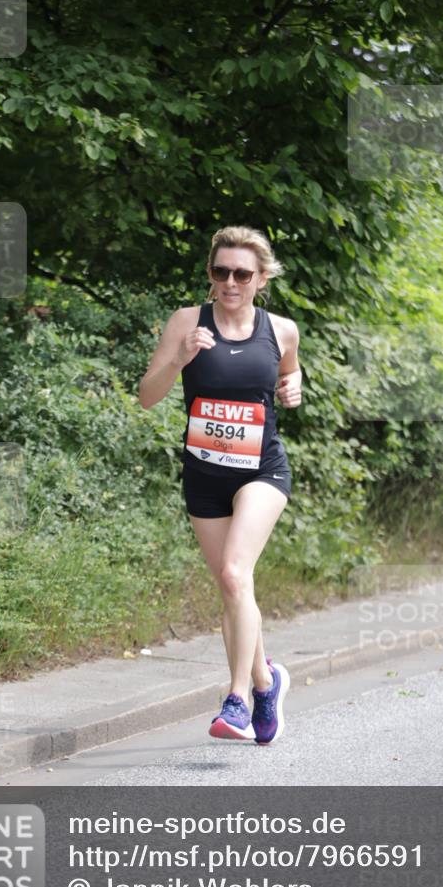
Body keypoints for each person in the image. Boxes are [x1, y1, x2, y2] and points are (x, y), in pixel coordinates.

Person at [138, 225, 303, 744]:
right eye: (221, 272)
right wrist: (180, 357)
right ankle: (266, 680)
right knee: (234, 586)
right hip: (204, 475)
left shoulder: (281, 329)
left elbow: (288, 379)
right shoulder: (188, 321)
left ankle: (236, 701)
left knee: (235, 572)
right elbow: (147, 395)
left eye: (242, 273)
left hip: (261, 471)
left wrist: (295, 387)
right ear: (210, 275)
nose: (230, 282)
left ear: (261, 279)